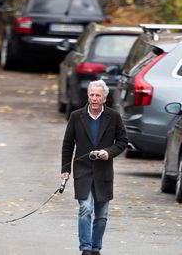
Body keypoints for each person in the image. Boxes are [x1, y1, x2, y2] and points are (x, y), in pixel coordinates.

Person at [61, 79, 128, 255]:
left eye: (98, 95)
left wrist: (109, 152)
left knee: (102, 215)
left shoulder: (113, 116)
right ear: (88, 96)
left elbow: (122, 142)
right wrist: (65, 169)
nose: (94, 98)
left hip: (104, 171)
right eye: (92, 95)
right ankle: (86, 248)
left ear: (104, 98)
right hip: (82, 170)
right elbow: (68, 144)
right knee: (85, 209)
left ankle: (96, 248)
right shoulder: (76, 116)